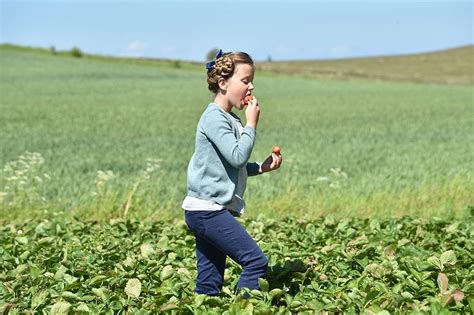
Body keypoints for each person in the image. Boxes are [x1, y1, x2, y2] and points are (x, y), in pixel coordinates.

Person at [182, 49, 283, 296]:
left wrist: (260, 167)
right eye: (245, 81)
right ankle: (245, 308)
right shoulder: (214, 119)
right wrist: (252, 124)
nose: (251, 87)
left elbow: (230, 165)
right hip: (208, 211)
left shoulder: (229, 118)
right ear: (223, 83)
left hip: (206, 210)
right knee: (256, 262)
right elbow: (237, 156)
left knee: (209, 284)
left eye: (252, 81)